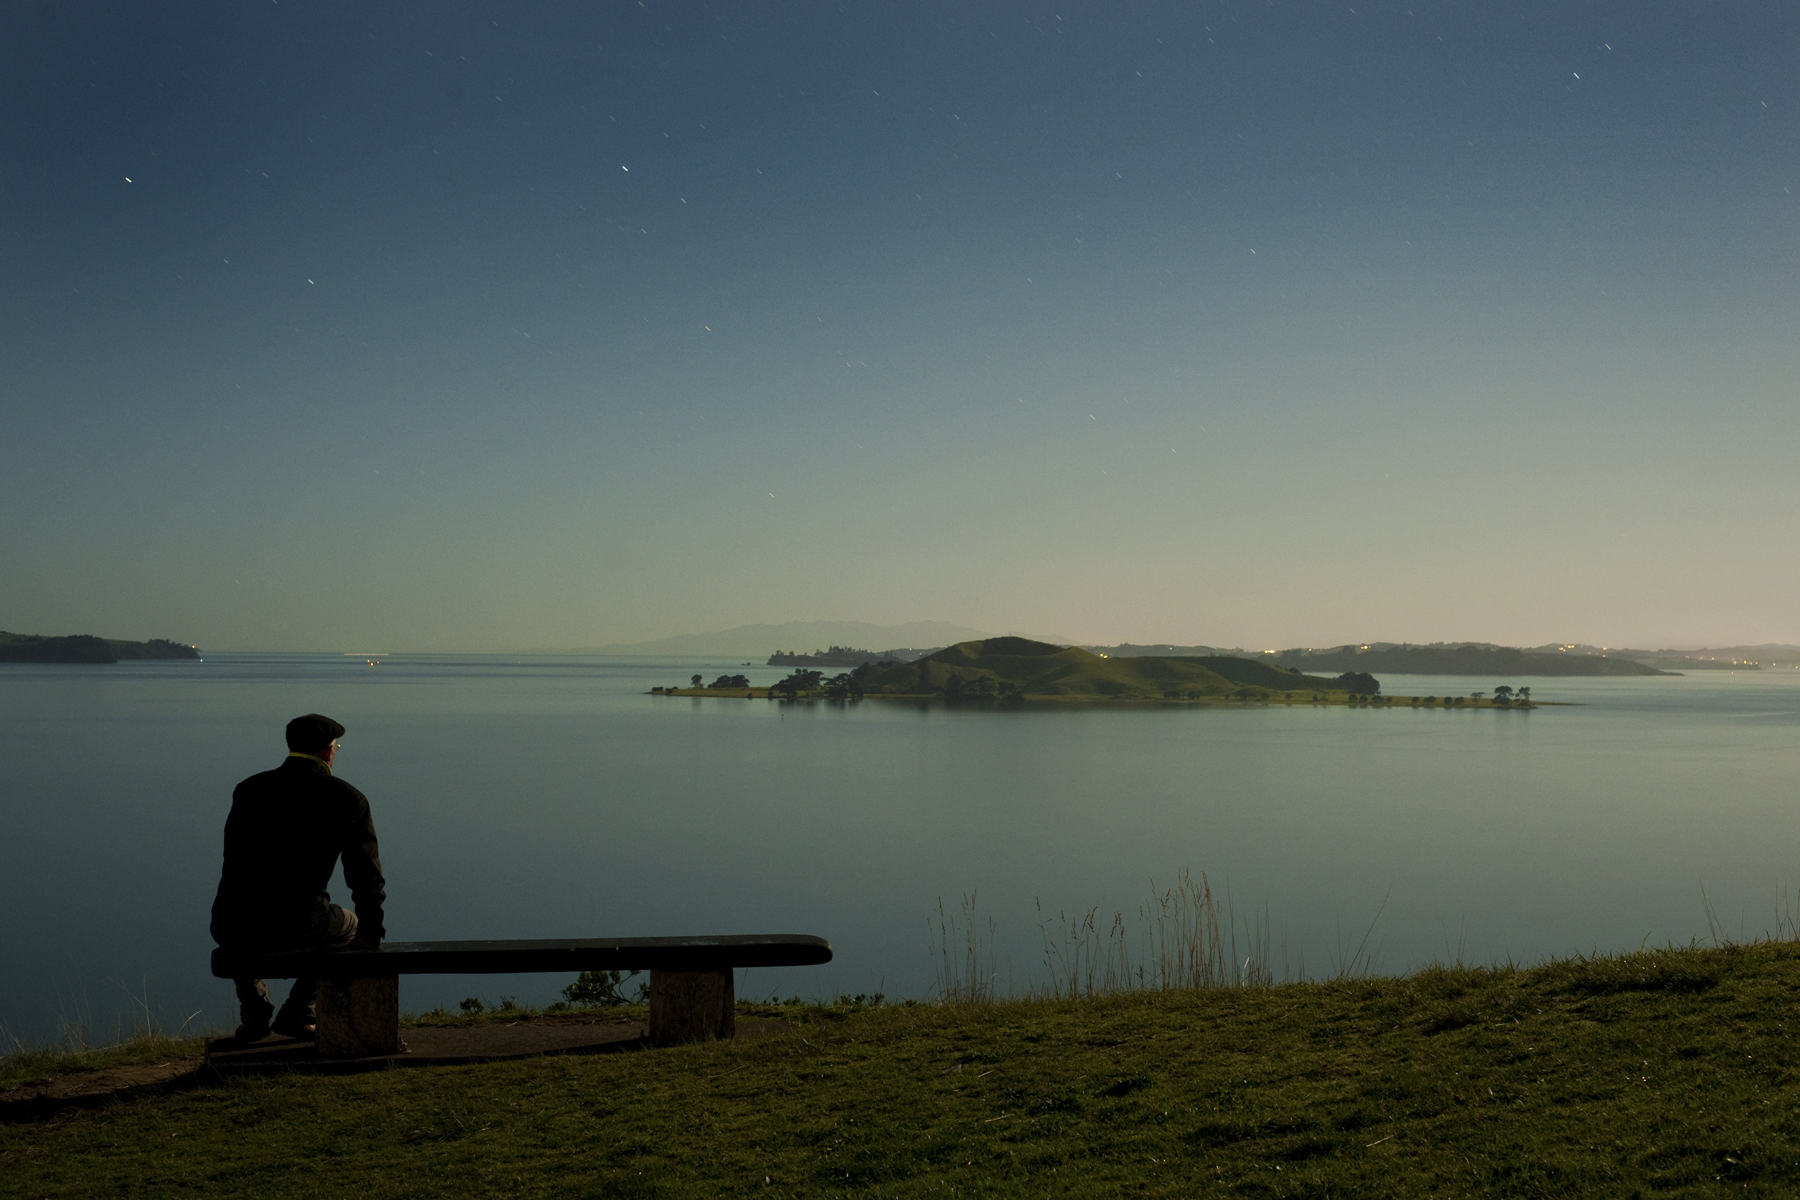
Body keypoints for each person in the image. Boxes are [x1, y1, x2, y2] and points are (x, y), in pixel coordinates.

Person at [211, 714, 387, 1041]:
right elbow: (366, 875)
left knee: (240, 924)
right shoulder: (347, 799)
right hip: (300, 925)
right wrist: (372, 930)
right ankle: (300, 1010)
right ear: (328, 751)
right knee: (349, 924)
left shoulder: (248, 790)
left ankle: (254, 1012)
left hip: (233, 922)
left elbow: (231, 861)